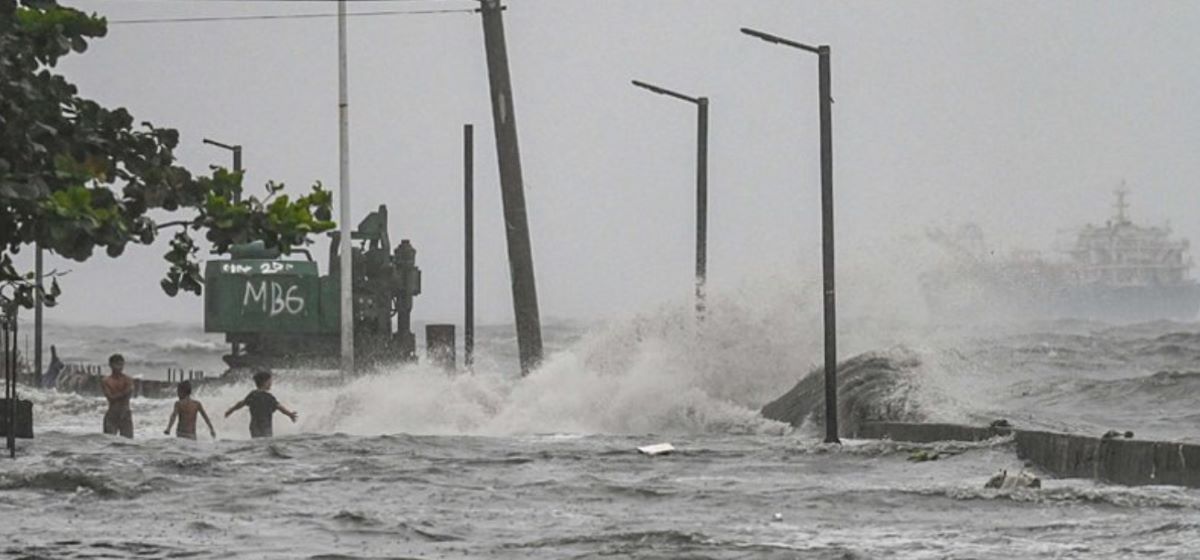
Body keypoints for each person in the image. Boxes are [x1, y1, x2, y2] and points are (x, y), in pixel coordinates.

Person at [224, 370, 297, 438]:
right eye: (270, 381)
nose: (271, 384)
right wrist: (290, 414)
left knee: (256, 442)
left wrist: (231, 410)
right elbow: (280, 408)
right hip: (266, 426)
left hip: (254, 426)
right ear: (265, 383)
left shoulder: (253, 394)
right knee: (266, 442)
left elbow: (241, 403)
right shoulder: (269, 397)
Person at [100, 353, 135, 438]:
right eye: (117, 364)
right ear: (111, 365)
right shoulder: (106, 380)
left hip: (125, 413)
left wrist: (119, 394)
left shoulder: (127, 379)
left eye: (121, 364)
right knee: (109, 441)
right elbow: (110, 397)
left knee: (128, 443)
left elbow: (128, 394)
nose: (120, 367)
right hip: (112, 414)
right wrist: (124, 392)